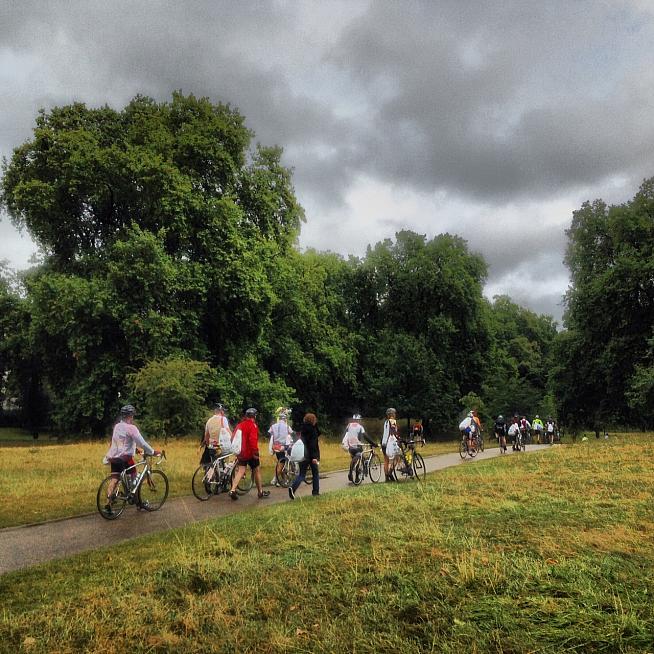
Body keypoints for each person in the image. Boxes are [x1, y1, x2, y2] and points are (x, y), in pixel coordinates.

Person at [104, 404, 160, 513]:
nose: (133, 417)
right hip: (125, 458)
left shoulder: (117, 426)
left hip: (114, 457)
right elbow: (142, 442)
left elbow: (121, 442)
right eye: (133, 415)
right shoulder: (131, 428)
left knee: (114, 479)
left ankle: (108, 504)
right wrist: (152, 452)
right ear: (130, 416)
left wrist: (135, 450)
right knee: (135, 480)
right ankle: (139, 503)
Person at [229, 408, 270, 500]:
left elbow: (233, 438)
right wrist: (255, 452)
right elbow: (252, 440)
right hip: (251, 453)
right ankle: (260, 492)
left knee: (241, 470)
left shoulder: (240, 425)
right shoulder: (253, 425)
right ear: (254, 416)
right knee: (256, 470)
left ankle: (232, 490)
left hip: (241, 453)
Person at [288, 412, 321, 498]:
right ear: (313, 420)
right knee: (315, 473)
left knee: (302, 474)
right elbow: (313, 444)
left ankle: (293, 487)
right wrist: (314, 457)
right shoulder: (313, 430)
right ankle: (315, 492)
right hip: (311, 455)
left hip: (302, 453)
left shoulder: (303, 429)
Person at [343, 414, 377, 482]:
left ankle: (350, 473)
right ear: (359, 420)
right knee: (359, 459)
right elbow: (365, 436)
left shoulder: (349, 425)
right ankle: (357, 477)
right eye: (360, 420)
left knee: (354, 460)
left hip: (350, 447)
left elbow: (345, 434)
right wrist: (373, 443)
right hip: (357, 447)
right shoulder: (360, 427)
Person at [268, 411, 294, 486]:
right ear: (285, 419)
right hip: (283, 447)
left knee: (280, 462)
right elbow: (291, 433)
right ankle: (275, 479)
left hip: (276, 447)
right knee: (282, 463)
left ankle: (282, 480)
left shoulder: (273, 426)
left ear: (279, 419)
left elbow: (271, 434)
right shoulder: (287, 426)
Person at [381, 407, 398, 482]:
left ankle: (386, 478)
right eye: (394, 413)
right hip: (389, 443)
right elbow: (394, 433)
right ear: (392, 414)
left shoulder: (386, 422)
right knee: (397, 457)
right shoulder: (393, 421)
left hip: (383, 443)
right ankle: (390, 472)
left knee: (386, 460)